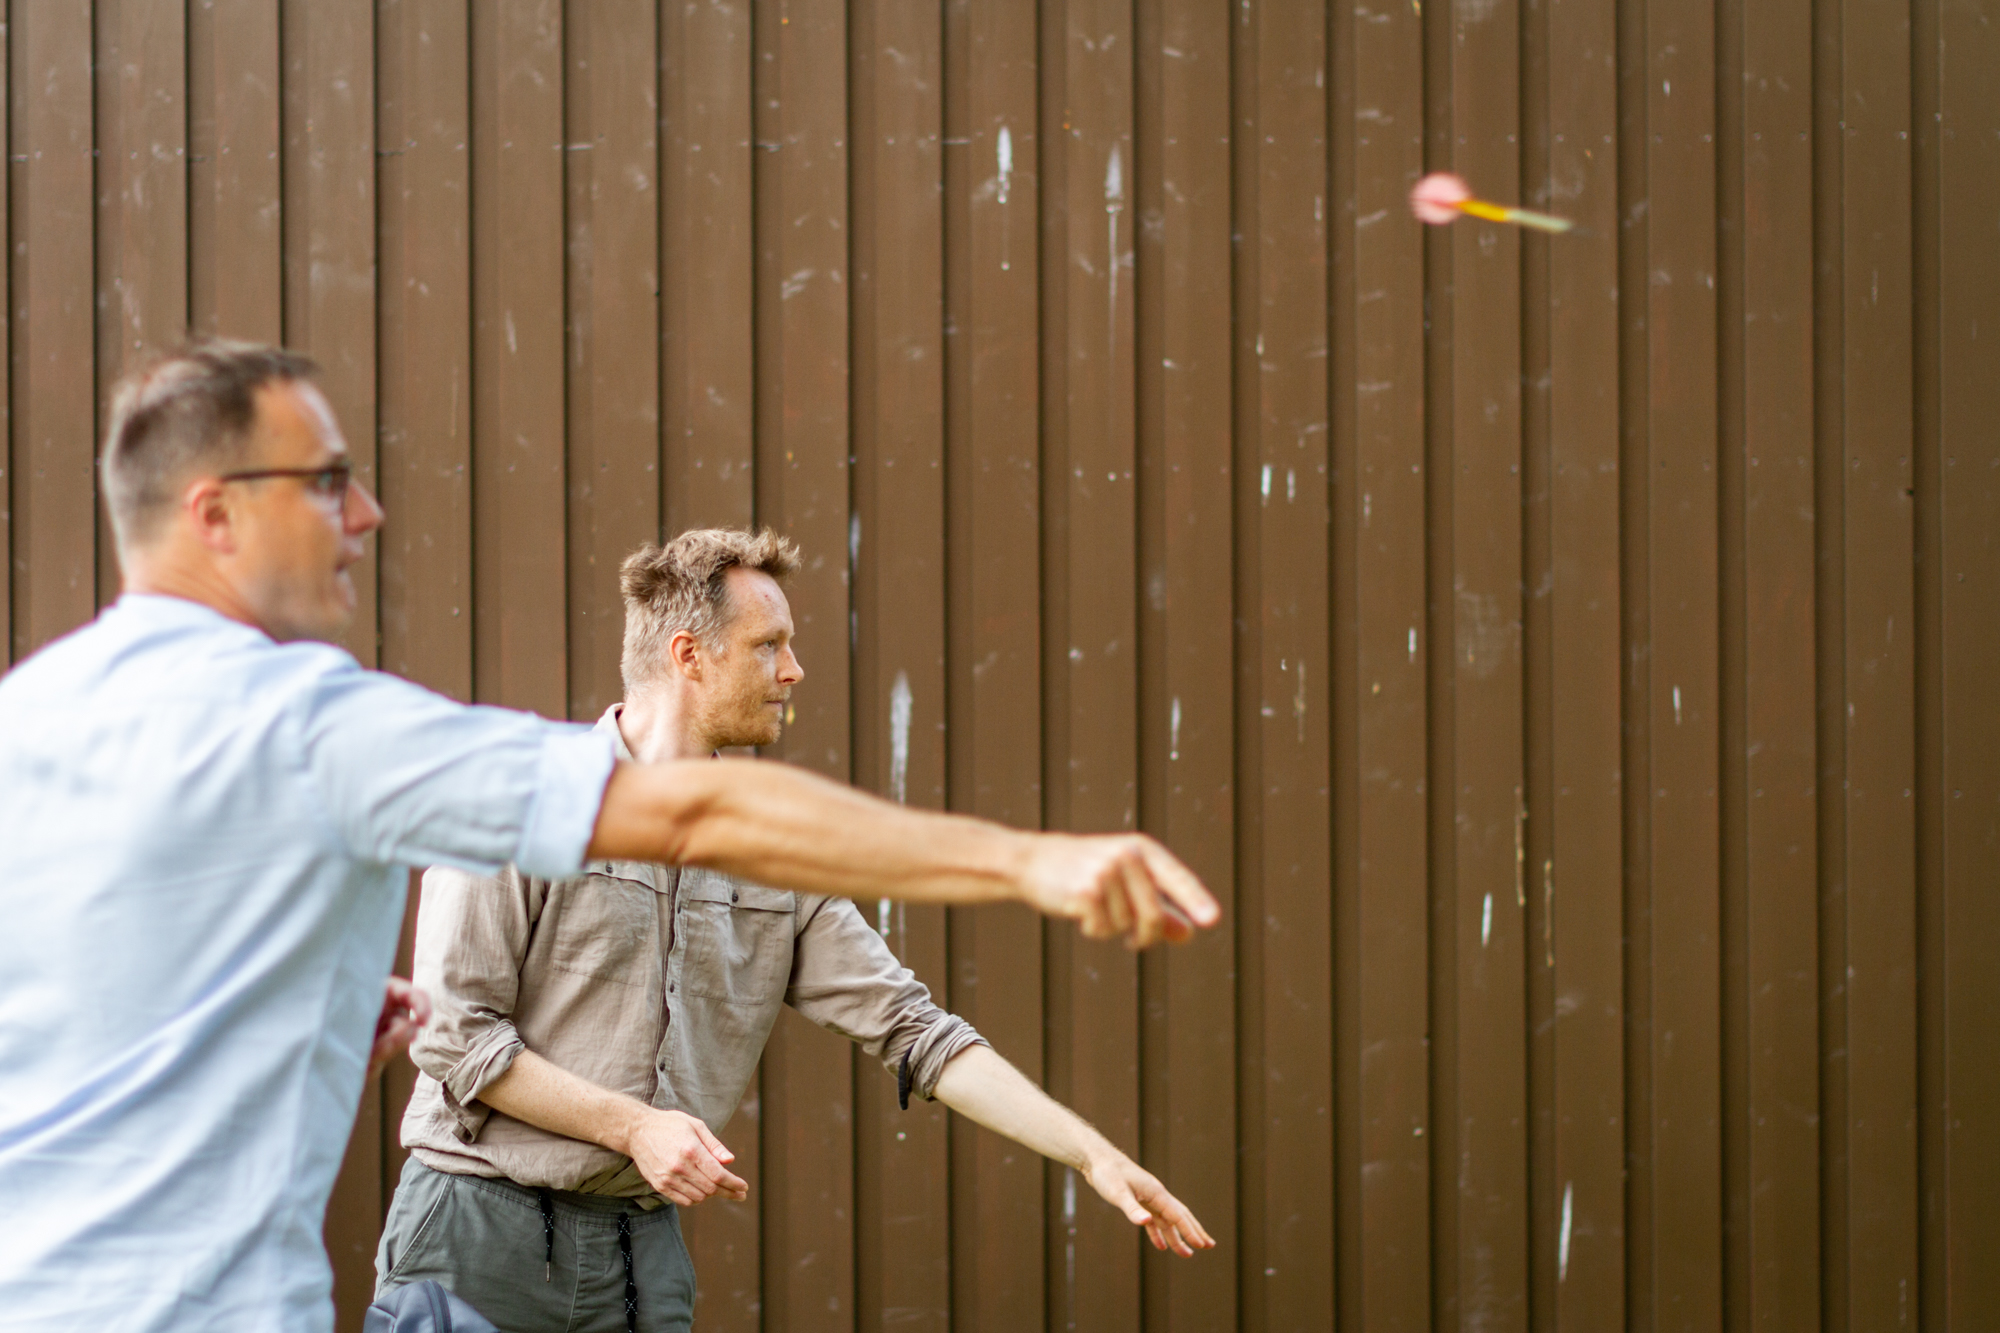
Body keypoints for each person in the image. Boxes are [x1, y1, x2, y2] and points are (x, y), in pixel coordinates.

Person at [0, 343, 1218, 1333]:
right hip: (350, 1273)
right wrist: (1030, 860)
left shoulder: (29, 715)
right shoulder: (320, 725)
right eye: (326, 481)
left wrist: (294, 1026)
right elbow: (694, 816)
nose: (365, 511)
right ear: (214, 512)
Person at [374, 531, 1216, 1330]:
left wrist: (1092, 1155)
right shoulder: (519, 801)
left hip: (640, 1257)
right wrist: (632, 1125)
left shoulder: (769, 859)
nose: (794, 669)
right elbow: (455, 1035)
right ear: (689, 655)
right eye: (768, 645)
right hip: (475, 1231)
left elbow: (915, 1030)